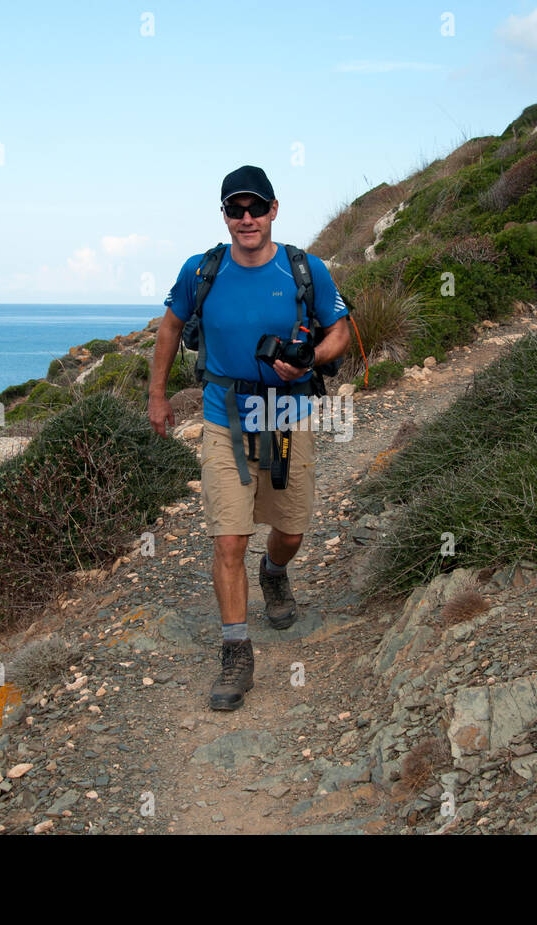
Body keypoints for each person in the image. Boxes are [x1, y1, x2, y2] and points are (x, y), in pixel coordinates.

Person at [148, 165, 351, 711]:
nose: (246, 219)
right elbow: (170, 327)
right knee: (228, 539)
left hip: (289, 413)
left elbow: (341, 330)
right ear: (224, 216)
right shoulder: (202, 270)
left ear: (274, 210)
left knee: (290, 529)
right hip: (224, 417)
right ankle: (237, 651)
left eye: (255, 208)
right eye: (235, 210)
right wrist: (158, 396)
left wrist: (312, 358)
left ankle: (276, 572)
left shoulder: (306, 270)